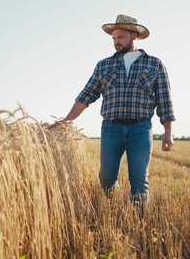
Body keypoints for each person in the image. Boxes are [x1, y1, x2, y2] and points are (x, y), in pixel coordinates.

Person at [53, 14, 176, 218]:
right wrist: (67, 120)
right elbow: (86, 96)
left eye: (120, 37)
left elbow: (165, 99)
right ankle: (111, 211)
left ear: (134, 35)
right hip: (111, 129)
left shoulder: (155, 64)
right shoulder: (104, 65)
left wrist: (168, 132)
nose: (116, 42)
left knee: (139, 179)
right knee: (107, 178)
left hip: (141, 129)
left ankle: (138, 221)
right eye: (113, 38)